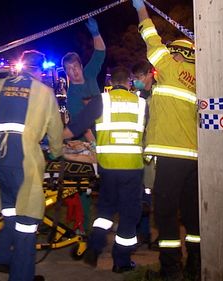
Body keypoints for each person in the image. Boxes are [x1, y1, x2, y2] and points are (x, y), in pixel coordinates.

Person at [0, 50, 63, 281]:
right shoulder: (44, 91)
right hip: (22, 159)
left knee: (10, 209)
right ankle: (21, 275)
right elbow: (55, 132)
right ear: (40, 69)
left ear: (21, 66)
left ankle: (3, 256)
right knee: (28, 221)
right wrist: (56, 153)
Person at [132, 1, 200, 280]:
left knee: (166, 214)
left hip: (171, 155)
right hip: (195, 158)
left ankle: (170, 270)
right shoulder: (199, 78)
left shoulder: (170, 68)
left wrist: (139, 8)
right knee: (193, 216)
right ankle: (196, 267)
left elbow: (150, 36)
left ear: (177, 55)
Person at [64, 66, 146, 273]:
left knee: (105, 211)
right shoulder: (142, 103)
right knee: (129, 214)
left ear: (111, 82)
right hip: (132, 168)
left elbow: (76, 127)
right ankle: (122, 261)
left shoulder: (102, 101)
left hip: (108, 167)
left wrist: (53, 141)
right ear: (129, 82)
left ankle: (94, 247)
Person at [61, 16, 106, 233]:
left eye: (75, 67)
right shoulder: (72, 95)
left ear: (80, 66)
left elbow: (100, 54)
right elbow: (83, 126)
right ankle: (84, 226)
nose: (74, 72)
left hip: (103, 135)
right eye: (69, 70)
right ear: (66, 73)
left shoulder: (89, 75)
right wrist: (95, 147)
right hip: (86, 141)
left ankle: (103, 221)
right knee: (84, 186)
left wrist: (95, 33)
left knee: (107, 183)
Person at [132, 60, 156, 248]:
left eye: (139, 77)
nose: (136, 81)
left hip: (155, 151)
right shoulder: (139, 96)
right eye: (134, 78)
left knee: (155, 195)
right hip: (141, 150)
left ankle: (161, 235)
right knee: (142, 195)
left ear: (150, 74)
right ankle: (144, 234)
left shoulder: (159, 93)